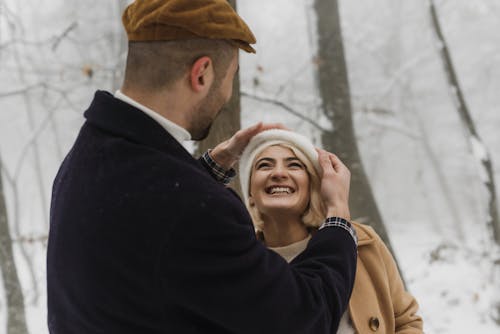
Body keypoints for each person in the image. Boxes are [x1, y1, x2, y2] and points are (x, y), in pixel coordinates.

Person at [47, 1, 358, 333]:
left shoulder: (88, 154)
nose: (226, 95)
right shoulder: (198, 211)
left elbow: (148, 214)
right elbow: (304, 316)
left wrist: (212, 165)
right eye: (230, 79)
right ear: (201, 73)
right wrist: (337, 215)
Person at [239, 129, 424, 334]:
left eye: (294, 165)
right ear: (250, 193)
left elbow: (406, 322)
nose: (279, 173)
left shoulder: (363, 243)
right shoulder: (239, 264)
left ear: (313, 186)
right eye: (264, 165)